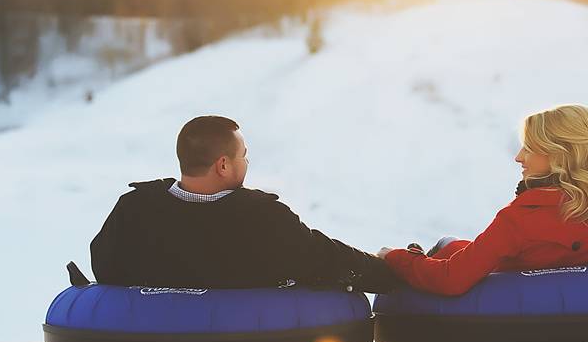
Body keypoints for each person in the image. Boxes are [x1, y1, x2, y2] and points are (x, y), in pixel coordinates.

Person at [90, 115, 400, 293]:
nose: (248, 161)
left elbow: (105, 268)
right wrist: (390, 269)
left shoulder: (134, 210)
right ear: (223, 165)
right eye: (243, 155)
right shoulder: (261, 219)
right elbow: (326, 259)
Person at [377, 104, 588, 296]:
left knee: (444, 246)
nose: (519, 157)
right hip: (497, 263)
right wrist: (581, 264)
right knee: (455, 245)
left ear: (556, 156)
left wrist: (394, 257)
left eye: (529, 149)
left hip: (493, 284)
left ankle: (415, 256)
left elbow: (452, 280)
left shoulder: (518, 221)